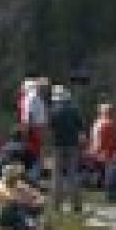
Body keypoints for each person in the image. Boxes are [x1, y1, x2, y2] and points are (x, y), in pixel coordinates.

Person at [47, 85, 85, 215]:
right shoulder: (74, 110)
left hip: (57, 145)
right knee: (73, 175)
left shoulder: (52, 111)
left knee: (56, 176)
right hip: (72, 145)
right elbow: (81, 127)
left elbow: (50, 128)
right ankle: (76, 205)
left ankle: (56, 205)